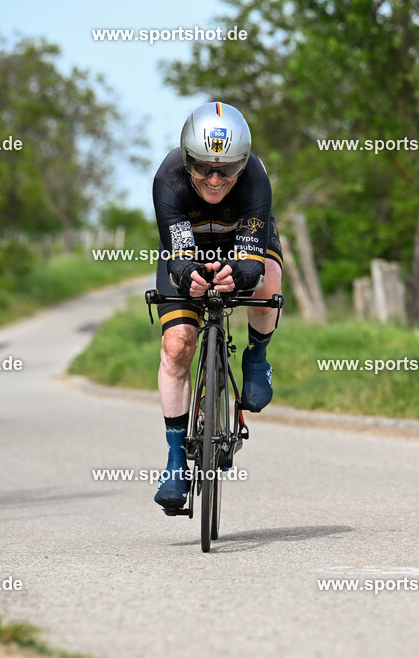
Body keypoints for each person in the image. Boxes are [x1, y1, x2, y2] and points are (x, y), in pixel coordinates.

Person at [150, 101, 283, 513]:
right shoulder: (168, 179)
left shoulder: (255, 178)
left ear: (242, 164)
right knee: (177, 346)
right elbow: (178, 254)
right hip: (187, 250)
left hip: (240, 245)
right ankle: (176, 460)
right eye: (203, 166)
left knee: (268, 284)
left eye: (226, 169)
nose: (213, 178)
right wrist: (189, 270)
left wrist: (239, 276)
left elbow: (249, 263)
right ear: (187, 160)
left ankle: (257, 357)